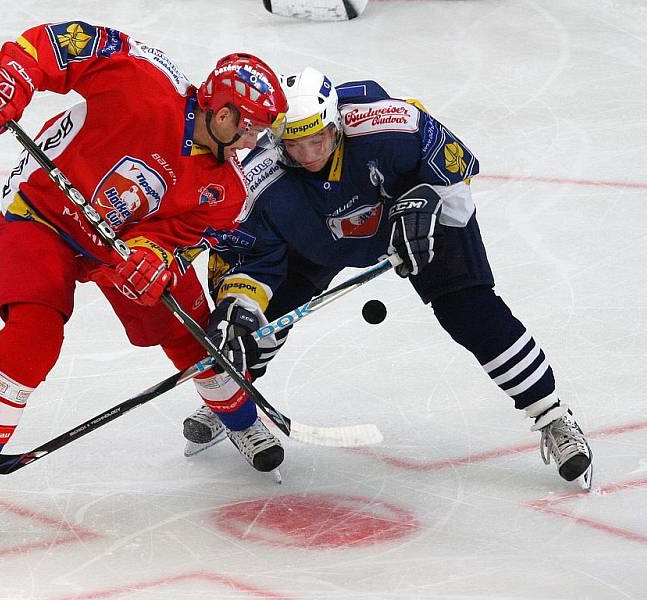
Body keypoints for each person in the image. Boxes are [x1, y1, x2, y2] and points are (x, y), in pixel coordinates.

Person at [0, 20, 287, 543]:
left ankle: (240, 421)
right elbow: (65, 43)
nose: (253, 141)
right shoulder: (145, 83)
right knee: (33, 336)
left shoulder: (225, 189)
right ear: (224, 111)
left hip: (115, 248)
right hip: (42, 215)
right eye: (251, 127)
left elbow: (180, 237)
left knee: (190, 328)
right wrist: (14, 77)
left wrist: (156, 258)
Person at [182, 67, 593, 490]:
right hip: (316, 239)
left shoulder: (389, 125)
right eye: (294, 145)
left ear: (337, 125)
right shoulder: (258, 180)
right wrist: (239, 306)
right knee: (255, 324)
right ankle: (232, 404)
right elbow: (254, 260)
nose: (307, 155)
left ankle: (552, 415)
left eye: (317, 141)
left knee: (470, 310)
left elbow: (456, 169)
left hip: (406, 223)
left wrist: (426, 200)